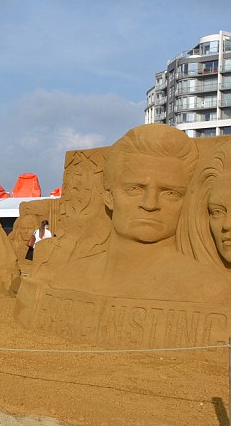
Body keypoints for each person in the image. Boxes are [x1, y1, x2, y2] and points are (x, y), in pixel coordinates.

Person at [51, 124, 231, 302]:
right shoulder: (68, 276)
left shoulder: (208, 288)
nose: (150, 204)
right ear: (109, 196)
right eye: (135, 189)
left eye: (170, 193)